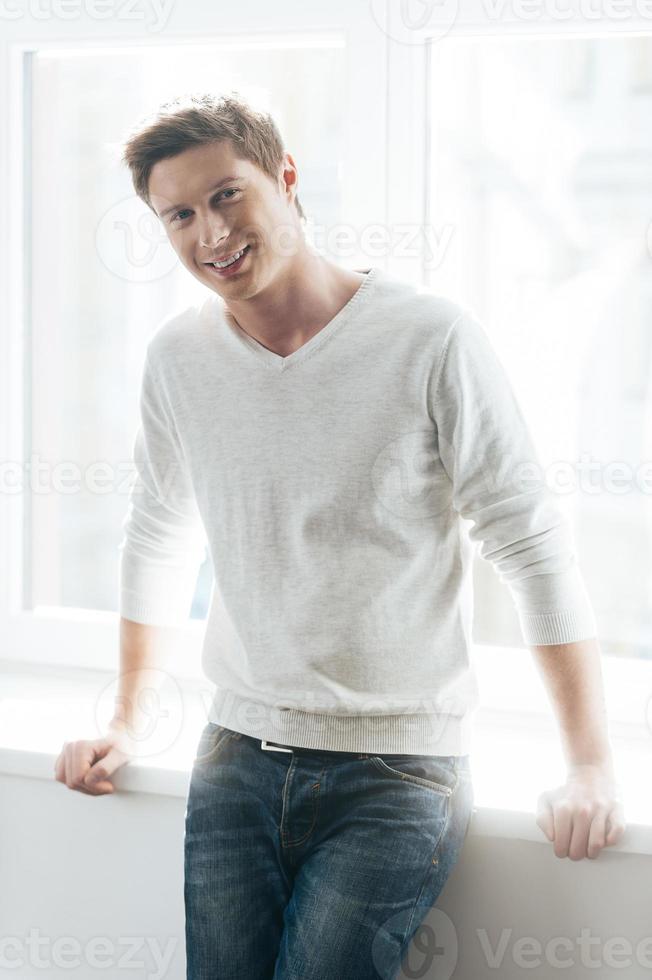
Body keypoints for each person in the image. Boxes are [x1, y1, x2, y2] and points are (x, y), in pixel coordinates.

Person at [54, 92, 626, 980]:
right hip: (233, 761)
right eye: (179, 215)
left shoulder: (429, 338)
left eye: (226, 196)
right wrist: (129, 718)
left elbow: (531, 543)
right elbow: (158, 535)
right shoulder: (178, 361)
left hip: (397, 773)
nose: (210, 232)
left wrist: (589, 764)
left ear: (285, 179)